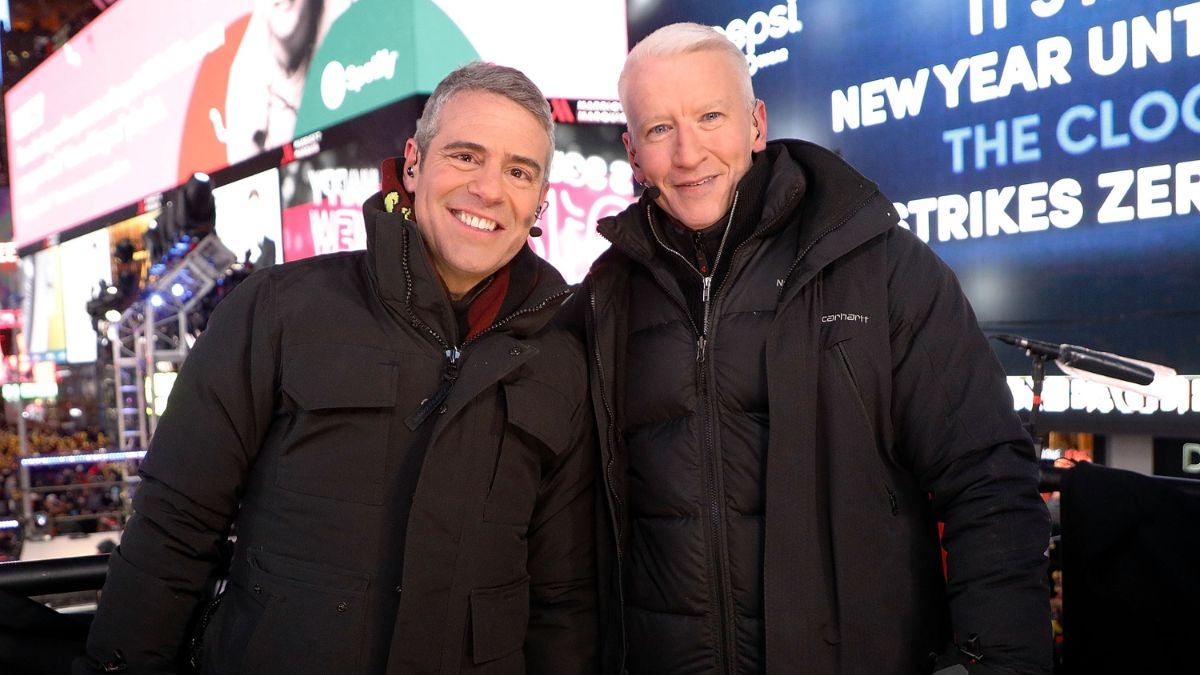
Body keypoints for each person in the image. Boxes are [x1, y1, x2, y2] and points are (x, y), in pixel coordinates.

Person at [77, 62, 597, 675]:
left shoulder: (561, 355)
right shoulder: (278, 310)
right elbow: (175, 525)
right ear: (414, 163)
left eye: (518, 171)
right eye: (464, 156)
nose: (488, 188)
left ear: (539, 198)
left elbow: (562, 597)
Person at [575, 23, 1052, 675]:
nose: (687, 153)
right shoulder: (605, 298)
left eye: (710, 116)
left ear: (756, 123)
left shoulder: (878, 264)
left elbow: (986, 474)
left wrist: (997, 662)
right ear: (632, 152)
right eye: (660, 129)